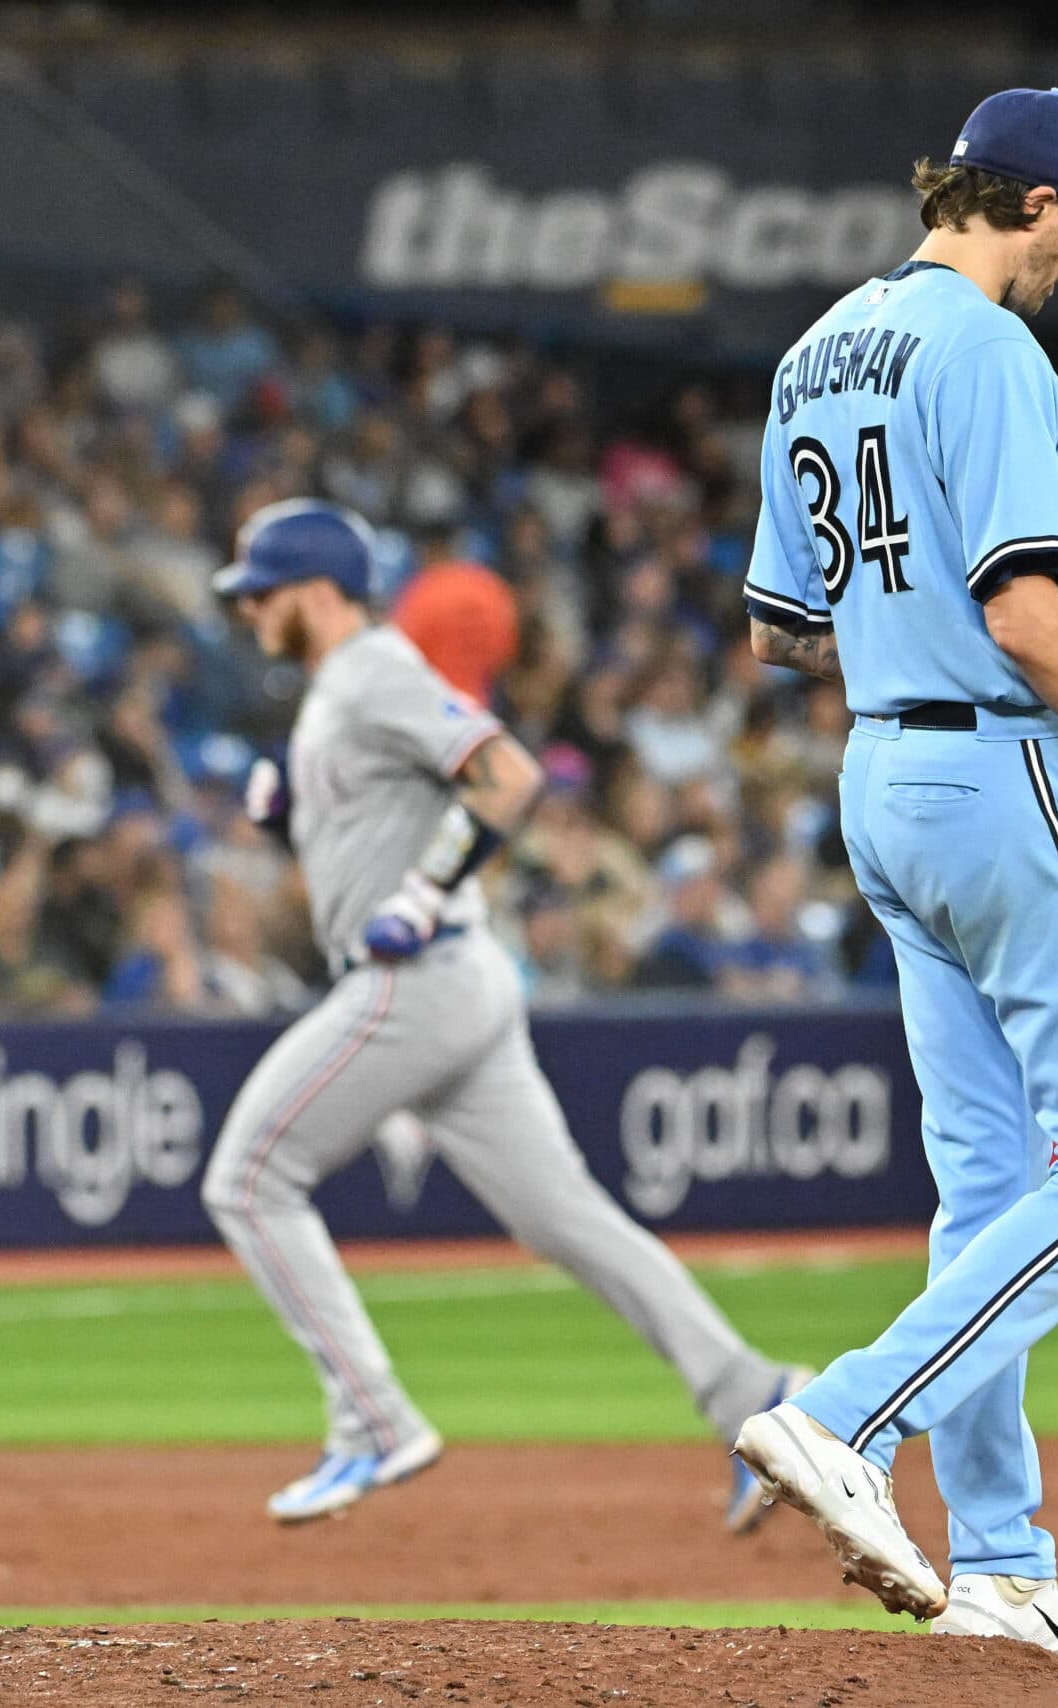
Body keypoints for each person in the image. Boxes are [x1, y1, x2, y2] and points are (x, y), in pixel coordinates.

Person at [727, 88, 1058, 1673]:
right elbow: (1032, 623)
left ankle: (1008, 1568)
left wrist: (938, 625)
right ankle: (837, 1420)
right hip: (1009, 776)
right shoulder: (992, 351)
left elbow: (776, 633)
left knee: (987, 1195)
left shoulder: (814, 349)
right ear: (1027, 201)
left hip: (883, 780)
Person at [199, 499, 805, 1528]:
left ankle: (372, 1420)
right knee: (565, 1217)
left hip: (418, 977)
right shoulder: (339, 687)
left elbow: (507, 775)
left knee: (248, 1176)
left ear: (312, 589)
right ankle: (756, 1396)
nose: (249, 608)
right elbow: (404, 803)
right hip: (454, 978)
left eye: (261, 590)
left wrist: (425, 888)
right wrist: (296, 812)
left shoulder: (374, 667)